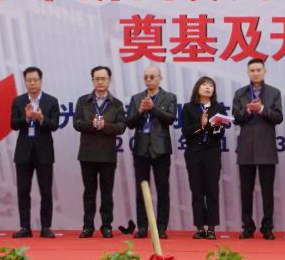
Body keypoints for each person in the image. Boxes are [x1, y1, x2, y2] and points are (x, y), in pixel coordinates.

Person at [122, 66, 178, 238]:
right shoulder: (136, 98)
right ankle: (143, 227)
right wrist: (140, 111)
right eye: (146, 77)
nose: (149, 80)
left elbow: (170, 119)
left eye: (152, 77)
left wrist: (153, 108)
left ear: (160, 78)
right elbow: (129, 123)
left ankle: (161, 228)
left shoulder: (169, 97)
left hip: (161, 149)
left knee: (162, 190)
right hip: (141, 149)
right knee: (142, 190)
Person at [73, 65, 127, 237]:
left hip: (107, 155)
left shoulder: (116, 104)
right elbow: (77, 123)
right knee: (89, 192)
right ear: (92, 80)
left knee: (107, 193)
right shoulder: (83, 101)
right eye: (97, 79)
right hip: (87, 154)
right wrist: (92, 124)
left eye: (104, 78)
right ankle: (88, 226)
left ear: (109, 80)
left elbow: (121, 127)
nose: (100, 82)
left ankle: (106, 225)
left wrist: (105, 126)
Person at [233, 58, 284, 239]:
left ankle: (267, 227)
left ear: (264, 72)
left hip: (266, 148)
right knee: (245, 190)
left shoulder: (274, 92)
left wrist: (262, 109)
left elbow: (278, 117)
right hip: (246, 148)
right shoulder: (240, 93)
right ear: (248, 73)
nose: (255, 73)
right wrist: (248, 110)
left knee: (267, 190)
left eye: (258, 70)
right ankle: (247, 226)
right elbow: (235, 118)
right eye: (252, 70)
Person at [8, 66, 59, 238]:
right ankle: (25, 227)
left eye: (35, 80)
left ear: (41, 81)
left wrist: (41, 118)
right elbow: (13, 124)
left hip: (44, 152)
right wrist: (26, 117)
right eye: (29, 80)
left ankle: (46, 227)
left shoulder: (51, 101)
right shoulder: (18, 101)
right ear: (25, 82)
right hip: (24, 152)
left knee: (46, 191)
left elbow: (55, 125)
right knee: (23, 191)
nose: (32, 83)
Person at [181, 76, 230, 239]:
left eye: (211, 85)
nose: (208, 88)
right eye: (204, 84)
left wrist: (213, 127)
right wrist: (201, 126)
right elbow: (187, 132)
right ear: (197, 88)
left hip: (212, 152)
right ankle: (200, 227)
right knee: (197, 190)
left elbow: (221, 133)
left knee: (212, 190)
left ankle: (212, 229)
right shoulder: (188, 107)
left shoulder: (218, 108)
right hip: (194, 152)